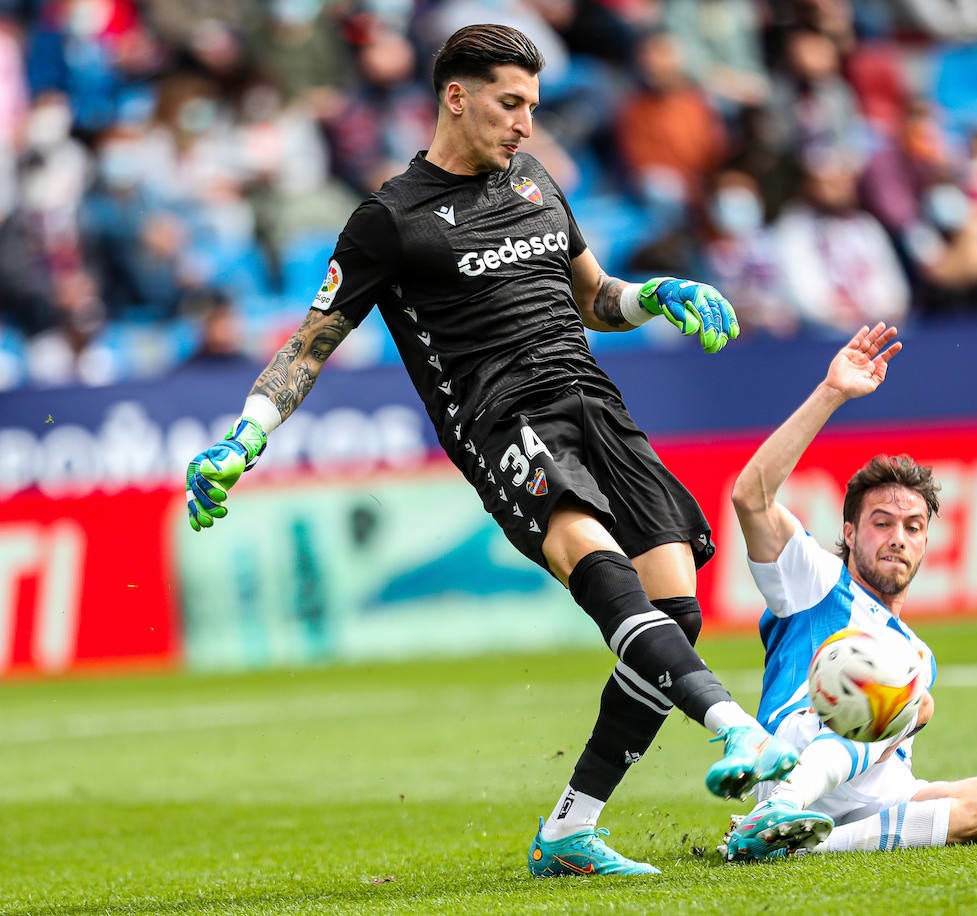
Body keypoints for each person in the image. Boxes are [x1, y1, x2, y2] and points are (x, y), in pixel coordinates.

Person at [182, 23, 821, 878]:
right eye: (511, 104)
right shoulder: (389, 219)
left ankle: (570, 830)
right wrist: (246, 432)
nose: (526, 123)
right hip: (502, 419)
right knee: (609, 579)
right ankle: (733, 725)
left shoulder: (533, 179)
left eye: (533, 106)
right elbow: (311, 342)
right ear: (458, 96)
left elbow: (594, 297)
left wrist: (659, 295)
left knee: (676, 610)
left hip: (596, 403)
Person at [719, 323, 977, 861]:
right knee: (899, 693)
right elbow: (751, 496)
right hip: (795, 756)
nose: (896, 539)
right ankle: (782, 806)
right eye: (881, 523)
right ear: (852, 533)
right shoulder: (816, 581)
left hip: (867, 794)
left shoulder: (919, 652)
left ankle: (804, 844)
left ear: (927, 541)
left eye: (912, 527)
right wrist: (832, 392)